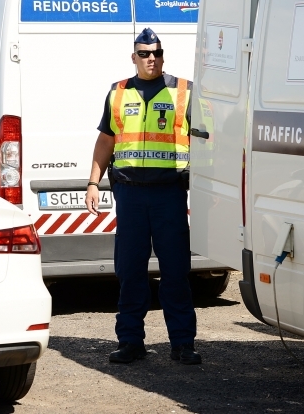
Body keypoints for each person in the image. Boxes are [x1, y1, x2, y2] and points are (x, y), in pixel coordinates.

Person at [85, 27, 200, 365]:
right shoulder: (117, 93)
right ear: (133, 57)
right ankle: (131, 341)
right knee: (130, 272)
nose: (153, 59)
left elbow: (206, 141)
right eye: (145, 54)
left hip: (169, 194)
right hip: (130, 196)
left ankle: (182, 344)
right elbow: (106, 141)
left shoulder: (185, 92)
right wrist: (93, 182)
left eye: (158, 53)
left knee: (176, 273)